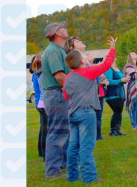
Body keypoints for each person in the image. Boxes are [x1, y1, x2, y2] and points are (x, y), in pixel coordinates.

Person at [62, 37, 116, 184]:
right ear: (81, 62)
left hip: (72, 114)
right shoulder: (88, 72)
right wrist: (112, 48)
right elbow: (107, 64)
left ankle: (72, 176)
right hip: (86, 113)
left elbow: (66, 95)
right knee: (86, 147)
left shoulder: (67, 78)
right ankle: (90, 178)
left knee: (73, 146)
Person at [40, 21, 71, 180]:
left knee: (63, 132)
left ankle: (60, 165)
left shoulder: (58, 50)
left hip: (58, 94)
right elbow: (59, 76)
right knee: (56, 133)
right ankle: (52, 171)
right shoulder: (53, 51)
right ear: (57, 33)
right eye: (63, 28)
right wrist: (75, 89)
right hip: (56, 95)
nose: (66, 30)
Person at [104, 60, 128, 136]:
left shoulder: (118, 69)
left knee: (119, 112)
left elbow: (122, 78)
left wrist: (124, 80)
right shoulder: (108, 69)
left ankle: (117, 130)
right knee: (117, 112)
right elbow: (109, 81)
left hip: (120, 93)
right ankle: (113, 131)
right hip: (112, 94)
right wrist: (120, 80)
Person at [30, 54, 47, 160]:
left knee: (43, 128)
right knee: (45, 129)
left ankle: (41, 151)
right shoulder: (41, 74)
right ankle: (44, 153)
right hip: (43, 102)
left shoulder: (35, 74)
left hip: (39, 103)